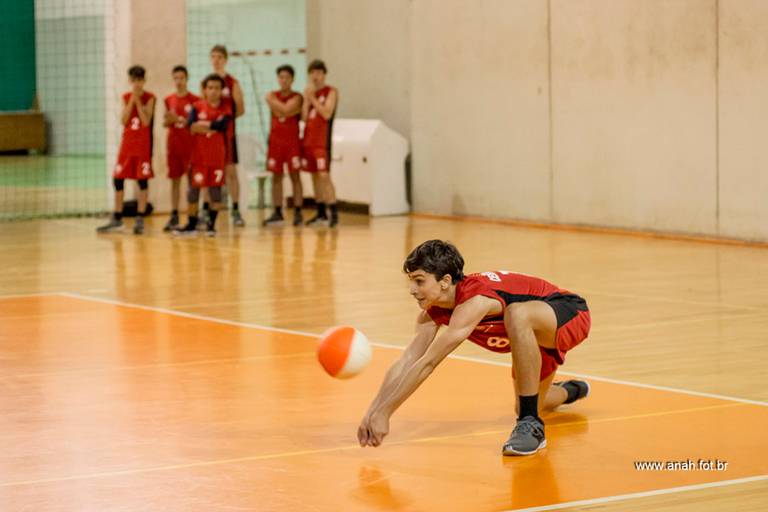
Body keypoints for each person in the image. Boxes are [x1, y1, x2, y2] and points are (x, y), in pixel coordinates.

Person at [357, 240, 591, 456]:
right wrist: (373, 411)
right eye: (411, 281)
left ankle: (530, 425)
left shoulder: (473, 299)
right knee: (527, 401)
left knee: (517, 313)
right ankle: (572, 390)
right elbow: (408, 361)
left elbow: (428, 363)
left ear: (445, 281)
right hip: (532, 341)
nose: (412, 289)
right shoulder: (432, 314)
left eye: (419, 281)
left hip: (566, 313)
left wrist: (387, 412)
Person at [97, 65, 155, 235]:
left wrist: (139, 100)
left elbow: (145, 121)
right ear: (130, 81)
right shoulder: (125, 97)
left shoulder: (150, 98)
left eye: (140, 80)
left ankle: (140, 218)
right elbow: (123, 120)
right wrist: (132, 100)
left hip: (142, 146)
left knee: (142, 180)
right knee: (118, 178)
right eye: (134, 80)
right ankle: (117, 218)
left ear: (144, 81)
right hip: (127, 145)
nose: (137, 84)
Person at [174, 74, 230, 237]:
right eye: (210, 88)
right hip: (198, 157)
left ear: (221, 90)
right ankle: (191, 225)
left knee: (215, 193)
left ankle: (211, 225)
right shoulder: (197, 106)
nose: (213, 91)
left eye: (217, 88)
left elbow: (222, 126)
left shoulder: (225, 108)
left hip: (216, 157)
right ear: (205, 90)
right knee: (193, 192)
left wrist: (204, 125)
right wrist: (211, 128)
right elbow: (191, 126)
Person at [209, 44, 246, 227]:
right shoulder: (207, 82)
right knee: (209, 172)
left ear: (225, 60)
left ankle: (236, 210)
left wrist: (226, 120)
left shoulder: (232, 83)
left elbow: (240, 108)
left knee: (231, 172)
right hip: (211, 135)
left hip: (227, 134)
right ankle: (207, 210)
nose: (216, 60)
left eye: (219, 57)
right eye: (213, 57)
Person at [263, 64, 304, 227]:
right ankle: (277, 211)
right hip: (275, 142)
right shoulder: (271, 94)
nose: (284, 80)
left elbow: (285, 109)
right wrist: (286, 111)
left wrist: (283, 110)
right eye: (281, 77)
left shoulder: (298, 97)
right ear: (277, 79)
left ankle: (298, 211)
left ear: (292, 79)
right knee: (276, 177)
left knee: (295, 176)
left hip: (292, 142)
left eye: (287, 77)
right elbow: (284, 110)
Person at [302, 59, 339, 227]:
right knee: (314, 177)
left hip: (321, 142)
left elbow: (326, 114)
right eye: (312, 73)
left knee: (324, 175)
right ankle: (321, 213)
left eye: (318, 72)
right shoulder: (309, 94)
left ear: (324, 74)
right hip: (308, 141)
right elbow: (303, 117)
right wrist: (306, 100)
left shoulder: (331, 91)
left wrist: (313, 99)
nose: (315, 76)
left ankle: (334, 212)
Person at [162, 65, 199, 231]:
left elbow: (194, 124)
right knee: (174, 181)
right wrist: (169, 120)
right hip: (173, 145)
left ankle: (194, 215)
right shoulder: (169, 99)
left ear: (187, 78)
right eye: (176, 78)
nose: (178, 81)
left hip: (190, 146)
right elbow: (165, 122)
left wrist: (178, 118)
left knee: (192, 182)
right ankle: (174, 214)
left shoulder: (195, 100)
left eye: (181, 78)